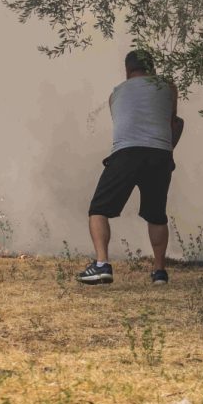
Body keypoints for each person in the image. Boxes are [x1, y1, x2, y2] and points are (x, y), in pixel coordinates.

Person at [77, 50, 184, 285]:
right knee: (156, 215)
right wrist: (167, 153)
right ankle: (159, 272)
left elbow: (127, 124)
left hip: (126, 153)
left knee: (98, 210)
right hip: (159, 154)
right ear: (152, 68)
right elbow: (174, 123)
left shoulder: (116, 94)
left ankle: (102, 265)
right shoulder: (169, 88)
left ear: (127, 71)